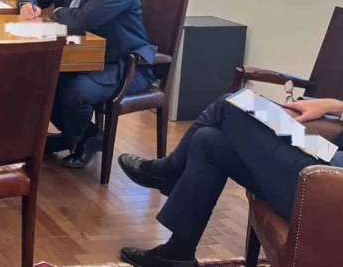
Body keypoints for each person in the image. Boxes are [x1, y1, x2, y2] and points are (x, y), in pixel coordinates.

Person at [116, 95, 343, 267]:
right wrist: (332, 105)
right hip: (326, 155)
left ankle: (168, 171)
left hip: (328, 181)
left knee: (231, 104)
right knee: (209, 142)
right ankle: (177, 252)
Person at [17, 0, 155, 169]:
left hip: (121, 62)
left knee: (74, 94)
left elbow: (84, 20)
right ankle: (85, 135)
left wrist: (57, 11)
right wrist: (27, 4)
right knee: (35, 82)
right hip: (80, 55)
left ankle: (80, 139)